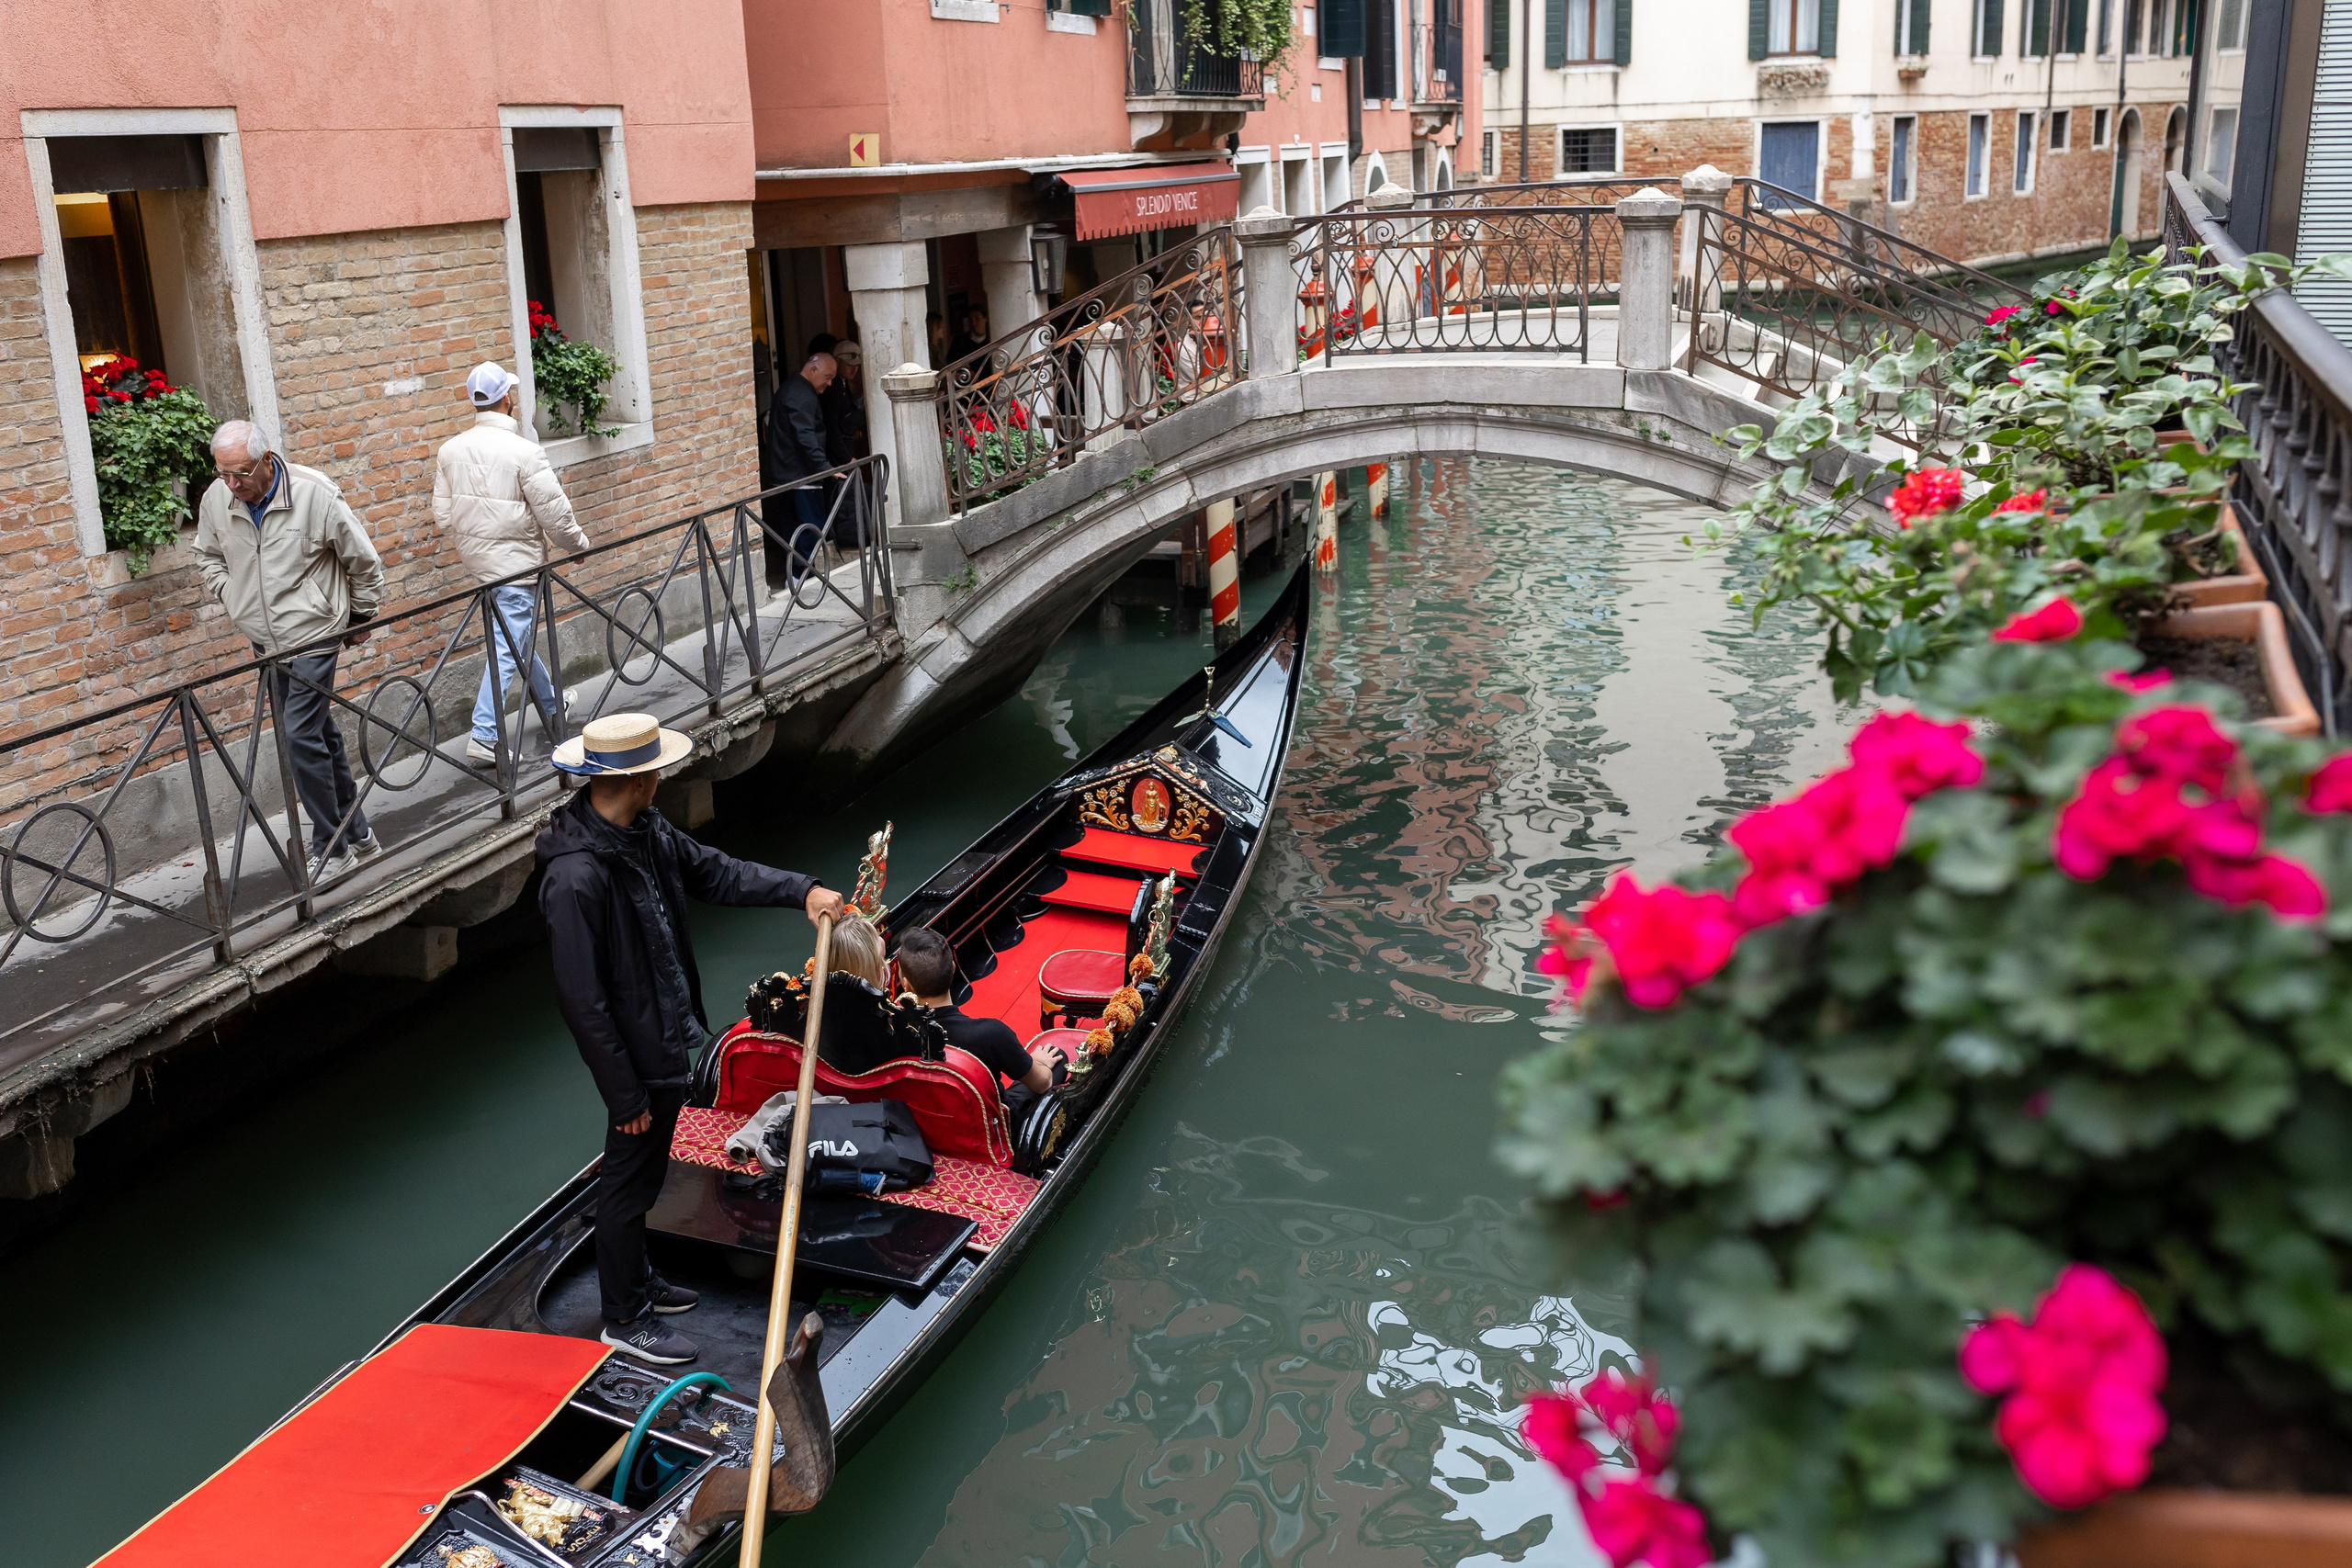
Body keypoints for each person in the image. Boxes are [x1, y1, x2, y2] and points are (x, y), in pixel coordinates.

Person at [538, 712, 845, 1366]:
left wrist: (802, 892)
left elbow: (721, 873)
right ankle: (624, 1316)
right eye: (657, 769)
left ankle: (639, 1279)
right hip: (635, 1058)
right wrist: (624, 1096)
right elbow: (583, 1003)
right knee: (626, 1182)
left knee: (645, 1175)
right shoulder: (574, 878)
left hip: (668, 1038)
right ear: (641, 777)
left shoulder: (647, 833)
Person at [194, 419, 388, 882]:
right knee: (317, 732)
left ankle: (331, 847)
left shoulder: (313, 493)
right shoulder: (216, 498)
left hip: (313, 632)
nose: (232, 484)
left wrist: (360, 616)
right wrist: (231, 594)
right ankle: (358, 834)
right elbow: (206, 554)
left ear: (266, 460)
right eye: (223, 473)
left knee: (298, 735)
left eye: (240, 472)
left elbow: (363, 560)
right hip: (265, 640)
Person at [431, 362, 591, 763]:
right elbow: (554, 515)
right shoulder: (524, 451)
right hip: (517, 567)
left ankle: (552, 703)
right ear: (507, 399)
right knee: (507, 645)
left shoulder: (450, 451)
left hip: (481, 566)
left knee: (512, 636)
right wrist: (578, 545)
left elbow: (444, 517)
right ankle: (485, 734)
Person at [893, 925, 1061, 1101]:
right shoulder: (991, 1034)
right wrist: (1039, 1063)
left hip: (929, 1119)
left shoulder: (895, 1030)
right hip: (990, 1124)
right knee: (1058, 1058)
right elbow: (1042, 1084)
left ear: (906, 984)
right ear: (952, 968)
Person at [759, 350, 835, 592]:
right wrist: (825, 468)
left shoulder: (789, 389)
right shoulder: (802, 394)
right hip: (802, 477)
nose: (829, 383)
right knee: (808, 530)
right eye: (827, 376)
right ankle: (801, 580)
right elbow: (805, 437)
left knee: (792, 530)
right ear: (813, 370)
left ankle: (795, 577)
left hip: (784, 476)